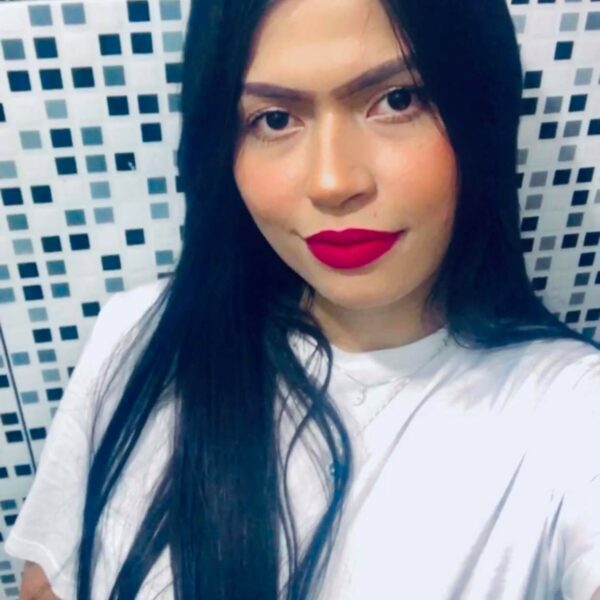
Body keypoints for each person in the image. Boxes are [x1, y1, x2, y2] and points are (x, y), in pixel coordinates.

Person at [5, 0, 600, 598]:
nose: (332, 182)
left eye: (397, 100)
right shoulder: (142, 334)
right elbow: (45, 587)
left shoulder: (570, 416)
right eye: (273, 119)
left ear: (481, 117)